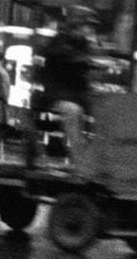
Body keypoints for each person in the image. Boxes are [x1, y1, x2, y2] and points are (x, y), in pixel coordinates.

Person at [39, 10, 95, 159]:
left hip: (76, 96)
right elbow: (64, 59)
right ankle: (80, 159)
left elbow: (83, 74)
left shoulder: (82, 43)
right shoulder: (60, 41)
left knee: (103, 111)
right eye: (86, 26)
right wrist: (85, 61)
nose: (89, 30)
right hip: (59, 95)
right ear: (76, 25)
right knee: (73, 111)